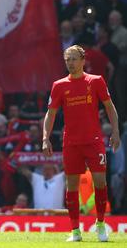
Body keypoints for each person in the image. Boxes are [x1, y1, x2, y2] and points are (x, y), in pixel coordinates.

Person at [43, 45, 121, 242]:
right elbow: (50, 113)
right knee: (72, 187)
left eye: (74, 59)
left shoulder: (95, 81)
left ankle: (101, 224)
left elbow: (110, 107)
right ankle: (75, 231)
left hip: (94, 141)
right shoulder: (59, 85)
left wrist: (116, 132)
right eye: (67, 59)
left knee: (100, 183)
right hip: (71, 142)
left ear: (83, 60)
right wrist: (46, 138)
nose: (70, 63)